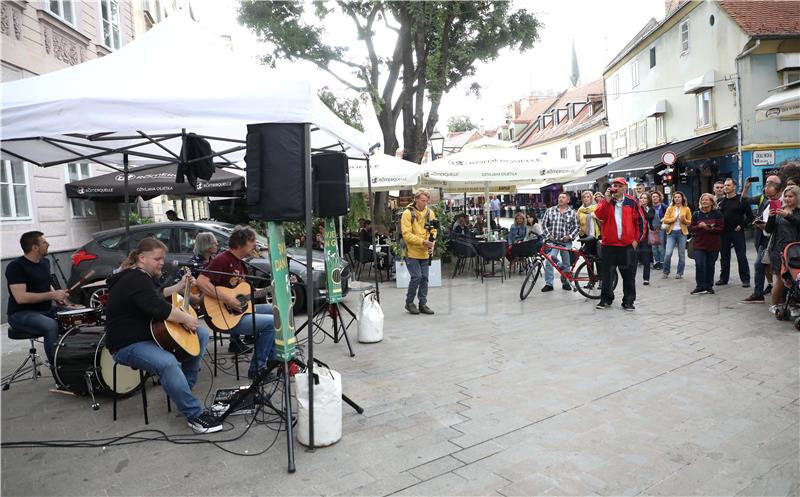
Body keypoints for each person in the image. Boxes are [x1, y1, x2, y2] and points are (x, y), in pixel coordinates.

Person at [104, 237, 219, 433]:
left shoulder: (140, 277)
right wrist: (185, 318)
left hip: (147, 336)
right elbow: (157, 307)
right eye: (157, 259)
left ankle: (183, 392)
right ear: (142, 258)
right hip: (126, 344)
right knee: (168, 362)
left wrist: (179, 286)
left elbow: (155, 294)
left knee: (200, 335)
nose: (162, 262)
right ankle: (194, 415)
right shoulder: (134, 278)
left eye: (162, 258)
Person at [196, 226, 276, 379]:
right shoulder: (223, 259)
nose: (255, 244)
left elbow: (245, 294)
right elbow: (201, 281)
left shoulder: (242, 264)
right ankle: (257, 370)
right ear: (241, 244)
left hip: (239, 312)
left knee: (275, 311)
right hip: (225, 317)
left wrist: (272, 288)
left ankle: (273, 360)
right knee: (271, 323)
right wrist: (227, 299)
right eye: (252, 241)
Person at [5, 231, 68, 365]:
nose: (48, 244)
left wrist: (57, 297)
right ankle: (58, 368)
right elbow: (21, 298)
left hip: (45, 310)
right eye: (44, 242)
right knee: (51, 325)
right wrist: (52, 295)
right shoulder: (16, 267)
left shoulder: (44, 262)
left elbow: (46, 283)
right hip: (20, 314)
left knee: (76, 315)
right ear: (35, 247)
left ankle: (75, 358)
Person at [593, 178, 646, 310]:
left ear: (624, 187)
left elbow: (641, 223)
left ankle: (628, 301)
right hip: (609, 245)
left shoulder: (632, 202)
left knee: (629, 276)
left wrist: (636, 240)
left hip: (627, 246)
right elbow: (600, 215)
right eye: (614, 185)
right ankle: (605, 300)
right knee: (607, 276)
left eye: (619, 186)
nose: (616, 188)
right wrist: (606, 200)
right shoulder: (605, 201)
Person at [742, 177, 782, 303]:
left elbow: (780, 223)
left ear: (779, 190)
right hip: (763, 239)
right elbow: (744, 201)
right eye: (766, 184)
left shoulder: (783, 202)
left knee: (771, 267)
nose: (766, 188)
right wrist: (746, 187)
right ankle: (760, 292)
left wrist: (766, 225)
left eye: (770, 185)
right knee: (761, 265)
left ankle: (781, 295)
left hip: (776, 240)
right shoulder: (763, 199)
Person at [400, 188, 437, 315]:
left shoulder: (430, 213)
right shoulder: (407, 213)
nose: (425, 203)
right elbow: (406, 235)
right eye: (422, 200)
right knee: (417, 277)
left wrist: (432, 243)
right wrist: (423, 242)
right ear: (416, 199)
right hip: (411, 252)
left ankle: (423, 304)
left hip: (425, 252)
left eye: (426, 201)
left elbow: (433, 231)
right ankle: (409, 302)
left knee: (425, 278)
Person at [766, 185, 800, 313]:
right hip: (778, 250)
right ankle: (774, 305)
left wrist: (787, 216)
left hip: (795, 250)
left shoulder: (797, 211)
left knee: (794, 280)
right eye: (785, 196)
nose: (787, 198)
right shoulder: (779, 209)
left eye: (790, 196)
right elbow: (769, 230)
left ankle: (792, 304)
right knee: (781, 279)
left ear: (797, 197)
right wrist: (771, 216)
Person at [717, 178, 753, 287]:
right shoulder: (721, 201)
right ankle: (724, 278)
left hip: (737, 232)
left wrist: (741, 225)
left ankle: (745, 279)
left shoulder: (741, 200)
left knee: (741, 256)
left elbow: (750, 216)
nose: (725, 187)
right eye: (725, 186)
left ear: (734, 187)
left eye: (728, 185)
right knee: (724, 256)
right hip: (724, 233)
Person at [540, 192, 579, 292]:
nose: (560, 199)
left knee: (566, 263)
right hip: (552, 242)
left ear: (568, 200)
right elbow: (544, 224)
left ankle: (565, 282)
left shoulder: (572, 212)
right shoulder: (550, 210)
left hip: (566, 242)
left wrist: (570, 236)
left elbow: (576, 227)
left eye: (563, 197)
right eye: (559, 197)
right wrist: (549, 235)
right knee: (549, 261)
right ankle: (549, 284)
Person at [689, 193, 725, 295]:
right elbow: (691, 228)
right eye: (702, 200)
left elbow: (721, 228)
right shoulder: (696, 214)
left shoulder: (717, 214)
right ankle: (700, 286)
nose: (704, 202)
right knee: (700, 264)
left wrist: (708, 228)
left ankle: (709, 286)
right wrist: (699, 226)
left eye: (706, 200)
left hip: (713, 245)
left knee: (710, 266)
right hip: (699, 244)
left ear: (711, 202)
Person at [661, 191, 692, 279]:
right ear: (673, 199)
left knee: (681, 254)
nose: (677, 199)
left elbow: (690, 222)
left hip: (682, 233)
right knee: (668, 253)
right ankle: (666, 271)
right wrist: (674, 219)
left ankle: (679, 272)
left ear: (682, 198)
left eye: (679, 197)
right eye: (675, 197)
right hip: (671, 233)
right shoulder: (670, 208)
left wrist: (684, 220)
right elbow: (665, 220)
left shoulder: (686, 209)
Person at [637, 193, 656, 286]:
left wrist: (641, 209)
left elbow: (648, 217)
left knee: (646, 258)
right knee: (634, 257)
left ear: (648, 200)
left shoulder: (651, 209)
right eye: (641, 198)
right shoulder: (636, 209)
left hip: (646, 236)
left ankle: (646, 278)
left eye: (645, 198)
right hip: (636, 236)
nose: (643, 200)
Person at [650, 191, 668, 270]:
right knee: (654, 247)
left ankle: (662, 263)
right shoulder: (650, 207)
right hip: (652, 229)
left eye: (656, 196)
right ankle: (656, 262)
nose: (655, 198)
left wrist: (663, 219)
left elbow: (669, 214)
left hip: (661, 229)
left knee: (661, 246)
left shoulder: (663, 206)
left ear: (659, 197)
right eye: (653, 196)